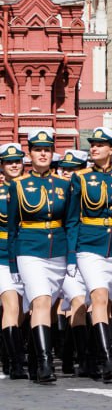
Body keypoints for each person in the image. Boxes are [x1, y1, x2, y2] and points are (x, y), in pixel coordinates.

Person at [66, 125, 112, 383]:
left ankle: (89, 357)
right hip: (89, 245)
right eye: (92, 144)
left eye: (100, 145)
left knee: (108, 305)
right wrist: (72, 254)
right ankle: (107, 360)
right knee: (99, 297)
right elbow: (73, 219)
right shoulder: (80, 178)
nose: (94, 148)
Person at [8, 129, 72, 383]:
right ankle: (46, 364)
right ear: (30, 154)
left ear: (53, 153)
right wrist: (13, 263)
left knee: (44, 305)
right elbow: (12, 227)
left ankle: (36, 359)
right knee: (41, 299)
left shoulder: (65, 185)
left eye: (47, 150)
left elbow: (70, 222)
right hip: (29, 249)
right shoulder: (18, 185)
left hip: (57, 250)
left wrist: (72, 257)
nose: (43, 154)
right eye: (37, 150)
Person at [0, 144, 26, 380]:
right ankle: (15, 361)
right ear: (2, 166)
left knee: (21, 310)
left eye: (17, 161)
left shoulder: (29, 188)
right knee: (11, 306)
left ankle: (10, 354)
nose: (14, 165)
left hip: (26, 254)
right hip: (2, 256)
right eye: (9, 162)